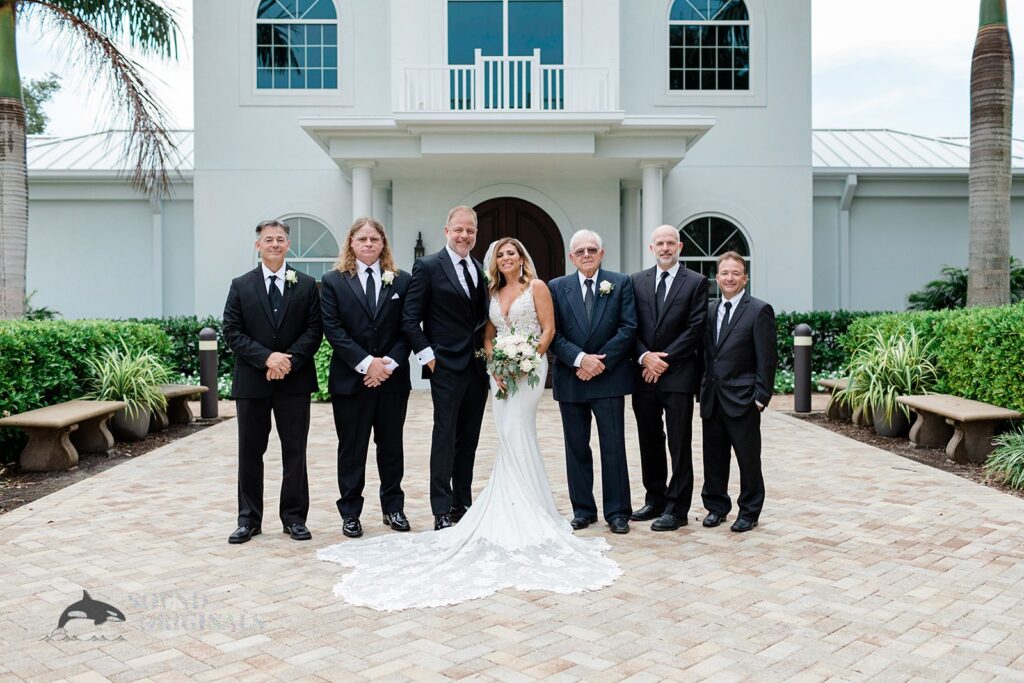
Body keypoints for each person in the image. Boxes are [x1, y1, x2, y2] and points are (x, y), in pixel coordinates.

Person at [317, 238, 620, 610]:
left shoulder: (522, 284)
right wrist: (454, 360)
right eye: (502, 254)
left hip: (519, 370)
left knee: (504, 435)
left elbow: (546, 329)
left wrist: (525, 360)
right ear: (449, 230)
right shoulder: (455, 275)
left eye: (513, 252)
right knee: (459, 436)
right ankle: (445, 509)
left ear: (521, 257)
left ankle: (484, 503)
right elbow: (433, 323)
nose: (506, 257)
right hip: (474, 369)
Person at [222, 219, 323, 544]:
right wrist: (267, 358)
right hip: (253, 381)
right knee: (250, 451)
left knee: (295, 451)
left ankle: (294, 517)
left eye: (280, 239)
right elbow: (232, 331)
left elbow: (314, 330)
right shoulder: (241, 285)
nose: (275, 244)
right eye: (269, 239)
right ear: (258, 246)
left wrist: (287, 361)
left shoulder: (307, 285)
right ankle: (248, 519)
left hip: (294, 382)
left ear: (288, 244)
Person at [320, 217, 412, 539]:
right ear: (352, 244)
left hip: (392, 380)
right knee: (352, 448)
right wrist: (365, 364)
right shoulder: (333, 281)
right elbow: (334, 330)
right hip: (351, 381)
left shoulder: (401, 281)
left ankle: (393, 508)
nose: (369, 244)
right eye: (362, 239)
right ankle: (350, 513)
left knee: (391, 446)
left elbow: (408, 327)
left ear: (383, 243)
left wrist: (387, 365)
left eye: (375, 239)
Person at [401, 205, 490, 530]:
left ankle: (461, 502)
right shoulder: (427, 267)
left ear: (476, 234)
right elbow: (410, 319)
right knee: (444, 436)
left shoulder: (481, 269)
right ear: (447, 231)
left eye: (470, 231)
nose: (464, 235)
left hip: (476, 369)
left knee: (469, 438)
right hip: (446, 367)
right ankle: (440, 508)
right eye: (459, 230)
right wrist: (430, 358)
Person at [548, 230, 637, 534]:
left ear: (602, 253)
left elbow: (628, 328)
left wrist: (599, 362)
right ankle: (583, 509)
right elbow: (552, 333)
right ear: (571, 257)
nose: (586, 254)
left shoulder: (621, 282)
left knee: (613, 447)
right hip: (571, 377)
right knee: (576, 447)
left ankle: (618, 512)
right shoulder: (557, 287)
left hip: (608, 377)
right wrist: (579, 360)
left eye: (592, 249)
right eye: (580, 251)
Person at [630, 225, 708, 531]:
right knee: (649, 438)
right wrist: (644, 357)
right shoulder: (636, 282)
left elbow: (695, 327)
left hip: (678, 374)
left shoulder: (696, 282)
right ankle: (655, 499)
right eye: (659, 243)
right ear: (651, 248)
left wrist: (664, 360)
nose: (665, 248)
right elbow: (630, 325)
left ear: (680, 246)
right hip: (643, 374)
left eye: (670, 243)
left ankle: (678, 508)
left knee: (679, 441)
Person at [699, 251, 777, 533]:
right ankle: (716, 507)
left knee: (747, 458)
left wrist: (759, 399)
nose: (729, 278)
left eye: (735, 273)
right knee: (714, 457)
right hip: (713, 397)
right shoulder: (708, 310)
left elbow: (767, 358)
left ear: (745, 279)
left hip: (743, 399)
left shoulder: (759, 310)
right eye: (724, 273)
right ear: (716, 278)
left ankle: (749, 511)